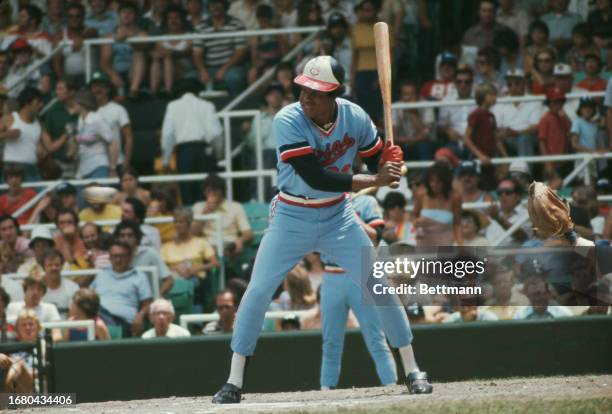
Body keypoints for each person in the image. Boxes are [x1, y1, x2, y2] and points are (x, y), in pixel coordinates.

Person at [211, 55, 432, 404]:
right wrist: (375, 177)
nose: (306, 98)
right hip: (291, 215)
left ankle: (413, 369)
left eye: (316, 92)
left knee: (378, 283)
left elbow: (375, 156)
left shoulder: (355, 115)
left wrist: (387, 161)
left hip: (337, 218)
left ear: (334, 95)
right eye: (303, 90)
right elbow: (316, 177)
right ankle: (234, 380)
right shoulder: (288, 119)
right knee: (257, 290)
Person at [319, 193, 398, 390]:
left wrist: (349, 213)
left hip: (361, 271)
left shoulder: (366, 201)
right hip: (331, 274)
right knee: (330, 342)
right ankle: (325, 392)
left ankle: (391, 387)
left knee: (376, 338)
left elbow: (375, 238)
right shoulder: (320, 199)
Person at [160, 79, 222, 205]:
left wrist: (165, 161)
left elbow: (167, 135)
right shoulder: (207, 105)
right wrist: (219, 155)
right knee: (206, 189)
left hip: (184, 152)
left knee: (187, 190)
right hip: (204, 151)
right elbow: (216, 133)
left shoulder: (173, 106)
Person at [90, 239, 153, 337]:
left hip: (123, 324)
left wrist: (140, 316)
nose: (118, 260)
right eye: (114, 256)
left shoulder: (139, 276)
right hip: (99, 320)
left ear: (129, 257)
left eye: (121, 256)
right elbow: (89, 297)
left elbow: (148, 303)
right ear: (110, 258)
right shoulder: (102, 274)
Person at [161, 208, 219, 311]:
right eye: (175, 221)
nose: (177, 225)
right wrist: (175, 268)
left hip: (197, 281)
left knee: (193, 284)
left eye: (181, 222)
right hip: (173, 280)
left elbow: (215, 263)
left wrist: (197, 268)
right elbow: (161, 267)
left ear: (189, 223)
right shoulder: (166, 247)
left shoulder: (201, 242)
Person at [192, 0, 248, 96]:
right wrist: (202, 71)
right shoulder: (201, 27)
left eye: (218, 3)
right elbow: (197, 53)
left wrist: (224, 68)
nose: (215, 7)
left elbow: (241, 51)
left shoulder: (236, 24)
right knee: (189, 78)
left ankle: (236, 107)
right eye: (212, 4)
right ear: (208, 7)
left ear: (224, 5)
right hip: (208, 68)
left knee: (234, 77)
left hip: (232, 67)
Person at [192, 175, 253, 259]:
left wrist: (240, 240)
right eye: (208, 191)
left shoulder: (235, 207)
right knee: (204, 246)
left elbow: (248, 233)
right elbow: (193, 233)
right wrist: (205, 213)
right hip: (207, 245)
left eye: (215, 190)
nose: (211, 193)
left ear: (222, 191)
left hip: (229, 243)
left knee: (229, 248)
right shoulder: (198, 207)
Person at [113, 219, 174, 297]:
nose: (126, 238)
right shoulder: (114, 257)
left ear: (136, 237)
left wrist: (158, 297)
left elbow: (169, 280)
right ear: (117, 238)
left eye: (130, 235)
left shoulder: (150, 253)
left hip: (150, 300)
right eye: (122, 235)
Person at [98, 1, 146, 97]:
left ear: (135, 15)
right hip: (116, 72)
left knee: (138, 52)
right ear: (119, 15)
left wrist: (129, 38)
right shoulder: (110, 36)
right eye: (124, 12)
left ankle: (134, 90)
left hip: (135, 72)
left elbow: (143, 47)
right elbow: (104, 61)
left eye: (130, 12)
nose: (127, 15)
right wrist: (113, 75)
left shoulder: (142, 34)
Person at [492, 69, 544, 156]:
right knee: (495, 138)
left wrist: (517, 133)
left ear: (524, 83)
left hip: (528, 137)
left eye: (517, 83)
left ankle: (523, 169)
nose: (513, 87)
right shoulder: (500, 102)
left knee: (524, 139)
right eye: (509, 84)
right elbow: (496, 127)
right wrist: (505, 132)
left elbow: (535, 127)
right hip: (507, 138)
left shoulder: (534, 100)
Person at [89, 71, 133, 173]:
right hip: (94, 166)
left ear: (107, 89)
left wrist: (126, 163)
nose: (97, 90)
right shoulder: (87, 113)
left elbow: (128, 137)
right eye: (94, 86)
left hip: (116, 163)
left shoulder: (118, 109)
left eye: (100, 86)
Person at [413, 161, 462, 247]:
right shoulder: (421, 195)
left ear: (445, 181)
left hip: (446, 243)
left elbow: (457, 224)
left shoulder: (455, 198)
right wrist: (418, 228)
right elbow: (414, 217)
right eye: (432, 181)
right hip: (424, 242)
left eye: (439, 181)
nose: (434, 185)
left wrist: (461, 245)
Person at [71, 90, 117, 179]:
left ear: (82, 104)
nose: (73, 104)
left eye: (75, 102)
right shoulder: (80, 120)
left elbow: (113, 142)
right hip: (83, 169)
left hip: (98, 166)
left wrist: (113, 168)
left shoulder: (96, 118)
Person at [0, 87, 44, 182]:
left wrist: (41, 151)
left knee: (39, 196)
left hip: (32, 167)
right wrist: (7, 134)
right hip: (12, 167)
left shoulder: (39, 123)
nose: (41, 105)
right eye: (37, 103)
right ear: (27, 103)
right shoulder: (10, 118)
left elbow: (39, 146)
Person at [52, 2, 98, 86]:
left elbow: (92, 33)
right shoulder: (60, 35)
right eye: (71, 16)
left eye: (78, 16)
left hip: (89, 77)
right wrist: (62, 80)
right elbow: (56, 61)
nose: (74, 19)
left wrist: (82, 37)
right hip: (69, 79)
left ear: (83, 17)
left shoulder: (90, 31)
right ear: (66, 18)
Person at [465, 83, 507, 168]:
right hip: (478, 158)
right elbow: (466, 138)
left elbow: (496, 139)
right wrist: (480, 156)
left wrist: (505, 157)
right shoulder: (475, 114)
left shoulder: (491, 116)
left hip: (491, 156)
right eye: (493, 94)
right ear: (485, 96)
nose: (495, 97)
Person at [42, 79, 78, 178]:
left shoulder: (83, 109)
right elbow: (48, 142)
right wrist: (66, 134)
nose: (57, 92)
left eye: (60, 89)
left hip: (81, 161)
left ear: (71, 92)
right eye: (56, 89)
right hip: (59, 163)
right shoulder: (52, 112)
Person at [6, 277, 62, 341]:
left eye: (39, 289)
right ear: (25, 291)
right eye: (32, 289)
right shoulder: (12, 307)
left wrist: (43, 345)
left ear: (43, 293)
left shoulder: (50, 308)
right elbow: (9, 332)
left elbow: (57, 334)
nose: (35, 292)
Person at [392, 80, 435, 161]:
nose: (409, 97)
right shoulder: (396, 107)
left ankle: (424, 173)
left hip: (423, 143)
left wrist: (412, 112)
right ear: (401, 96)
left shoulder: (427, 105)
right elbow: (393, 136)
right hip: (403, 143)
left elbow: (425, 135)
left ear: (418, 94)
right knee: (395, 148)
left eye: (412, 94)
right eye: (406, 94)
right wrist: (407, 141)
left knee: (424, 146)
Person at [488, 178, 531, 246]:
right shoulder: (494, 213)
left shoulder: (526, 215)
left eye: (508, 192)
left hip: (514, 255)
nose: (503, 195)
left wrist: (499, 219)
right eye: (500, 192)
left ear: (518, 196)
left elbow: (523, 237)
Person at [538, 87, 571, 175]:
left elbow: (572, 131)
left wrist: (565, 116)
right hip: (552, 163)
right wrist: (547, 163)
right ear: (549, 103)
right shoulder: (545, 118)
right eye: (555, 102)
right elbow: (542, 142)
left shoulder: (563, 117)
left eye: (560, 102)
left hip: (564, 161)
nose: (558, 105)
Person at [41, 249, 79, 319]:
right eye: (50, 265)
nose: (53, 268)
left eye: (57, 265)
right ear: (44, 268)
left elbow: (74, 315)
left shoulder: (73, 287)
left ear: (62, 266)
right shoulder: (37, 289)